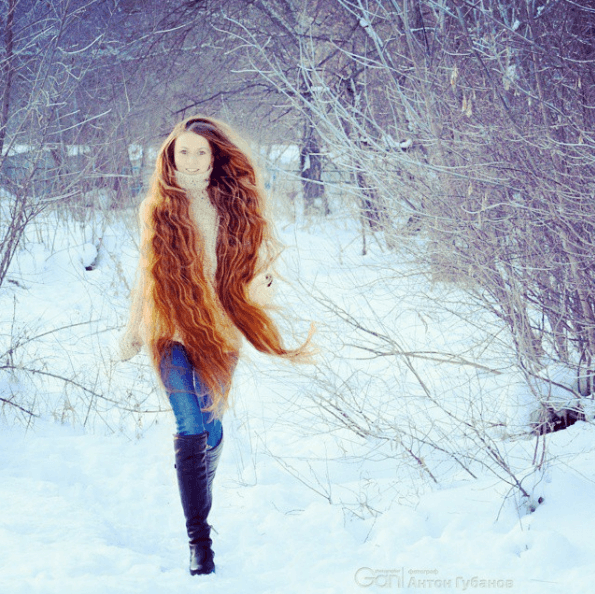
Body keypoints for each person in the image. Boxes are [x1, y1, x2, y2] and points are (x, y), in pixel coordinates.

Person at [118, 115, 312, 576]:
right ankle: (199, 543)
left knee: (210, 426)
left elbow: (256, 275)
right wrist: (133, 329)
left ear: (214, 155)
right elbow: (146, 277)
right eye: (182, 151)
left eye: (200, 151)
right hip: (169, 332)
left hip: (220, 333)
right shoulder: (157, 208)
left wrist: (260, 290)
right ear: (170, 154)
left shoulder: (234, 204)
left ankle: (205, 459)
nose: (190, 159)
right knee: (189, 426)